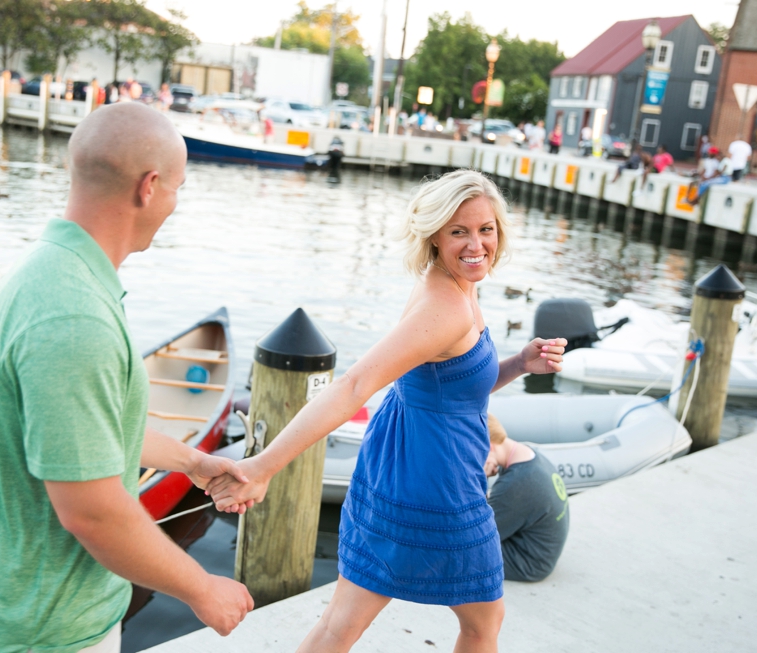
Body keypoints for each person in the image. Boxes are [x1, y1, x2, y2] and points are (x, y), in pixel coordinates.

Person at [0, 103, 254, 653]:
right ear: (149, 187)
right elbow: (93, 511)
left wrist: (194, 462)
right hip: (42, 629)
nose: (175, 204)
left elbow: (87, 440)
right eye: (178, 188)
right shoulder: (75, 317)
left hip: (11, 601)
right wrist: (203, 588)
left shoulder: (49, 271)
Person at [208, 169, 568, 652]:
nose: (476, 243)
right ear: (435, 235)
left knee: (342, 623)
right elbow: (354, 384)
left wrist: (518, 364)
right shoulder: (448, 308)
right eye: (459, 231)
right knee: (483, 623)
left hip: (398, 467)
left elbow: (452, 386)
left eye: (486, 229)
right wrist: (263, 465)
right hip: (440, 482)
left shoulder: (452, 281)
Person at [484, 414, 569, 582]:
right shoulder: (527, 455)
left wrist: (480, 479)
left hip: (528, 561)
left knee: (455, 549)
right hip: (540, 546)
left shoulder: (517, 485)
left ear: (490, 446)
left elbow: (478, 535)